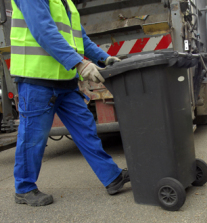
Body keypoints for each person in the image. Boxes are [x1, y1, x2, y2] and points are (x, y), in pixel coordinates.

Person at [10, 0, 129, 206]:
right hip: (37, 80)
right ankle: (24, 188)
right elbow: (43, 31)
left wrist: (104, 58)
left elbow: (80, 38)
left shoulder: (64, 2)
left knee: (86, 130)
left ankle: (112, 177)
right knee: (33, 137)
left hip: (65, 81)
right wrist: (80, 63)